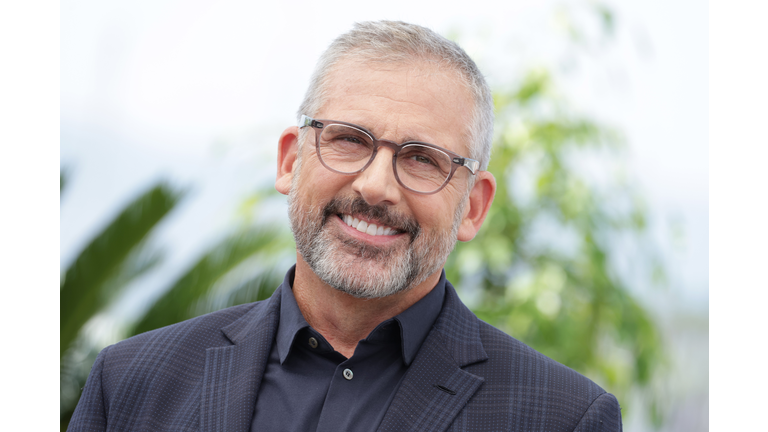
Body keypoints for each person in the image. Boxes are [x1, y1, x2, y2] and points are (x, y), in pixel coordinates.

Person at [69, 21, 622, 432]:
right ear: (290, 161)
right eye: (349, 140)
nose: (377, 186)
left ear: (473, 207)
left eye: (422, 158)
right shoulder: (131, 383)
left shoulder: (564, 419)